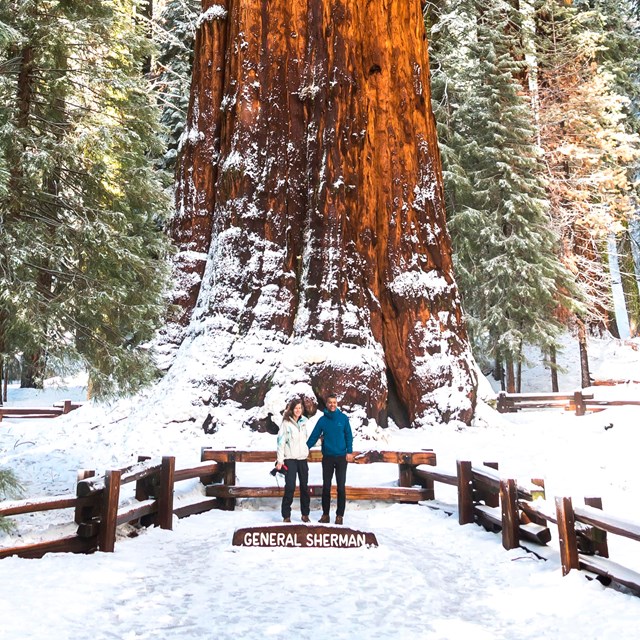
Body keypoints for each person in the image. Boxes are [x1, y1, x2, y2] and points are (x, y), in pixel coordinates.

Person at [306, 393, 353, 525]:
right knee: (326, 486)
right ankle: (325, 515)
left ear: (337, 404)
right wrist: (305, 449)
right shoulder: (322, 420)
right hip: (327, 457)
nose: (332, 404)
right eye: (330, 402)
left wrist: (349, 451)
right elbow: (314, 436)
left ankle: (339, 515)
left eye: (334, 402)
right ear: (326, 404)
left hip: (341, 457)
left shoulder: (343, 419)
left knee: (341, 487)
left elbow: (349, 436)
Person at [276, 397, 310, 523]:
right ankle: (286, 515)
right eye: (296, 408)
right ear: (291, 409)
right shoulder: (286, 423)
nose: (298, 410)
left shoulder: (304, 422)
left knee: (304, 487)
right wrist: (280, 460)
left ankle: (305, 514)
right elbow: (281, 442)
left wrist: (323, 440)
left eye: (300, 408)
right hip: (290, 459)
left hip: (302, 459)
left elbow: (308, 439)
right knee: (290, 486)